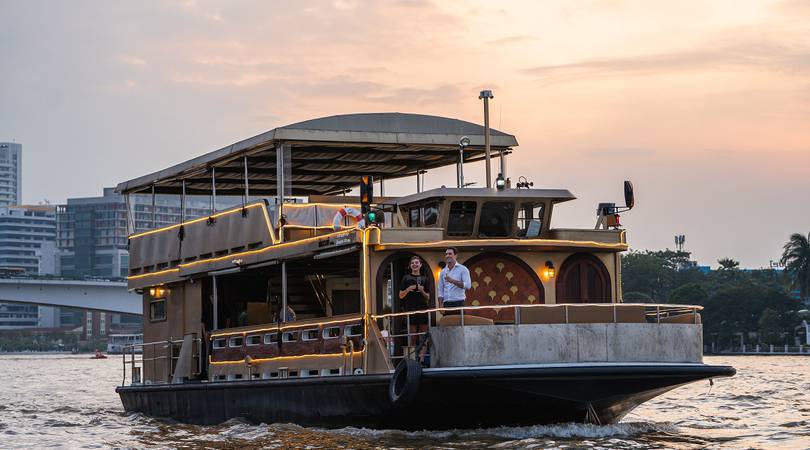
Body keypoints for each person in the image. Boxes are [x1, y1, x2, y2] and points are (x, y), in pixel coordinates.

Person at [399, 256, 430, 348]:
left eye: (416, 262)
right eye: (412, 263)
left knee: (424, 337)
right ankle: (413, 359)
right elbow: (400, 295)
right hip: (410, 308)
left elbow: (428, 297)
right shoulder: (406, 278)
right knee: (412, 337)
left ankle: (422, 360)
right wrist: (408, 289)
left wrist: (422, 290)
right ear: (410, 266)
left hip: (423, 308)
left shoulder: (425, 279)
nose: (414, 264)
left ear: (420, 265)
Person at [437, 247, 471, 314]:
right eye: (446, 254)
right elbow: (440, 290)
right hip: (446, 304)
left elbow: (468, 285)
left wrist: (452, 281)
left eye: (450, 254)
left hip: (459, 303)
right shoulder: (443, 271)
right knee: (447, 324)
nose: (447, 256)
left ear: (455, 255)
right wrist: (440, 305)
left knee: (459, 324)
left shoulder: (463, 269)